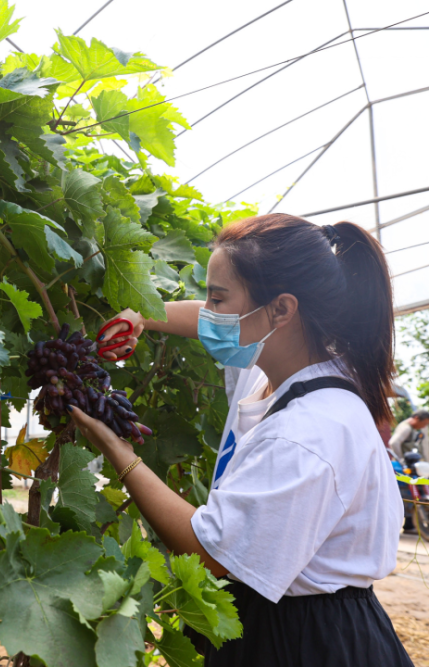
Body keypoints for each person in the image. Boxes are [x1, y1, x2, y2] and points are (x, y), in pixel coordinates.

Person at [71, 214, 412, 666]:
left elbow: (211, 553)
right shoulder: (272, 365)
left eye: (218, 296)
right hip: (279, 618)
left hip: (306, 641)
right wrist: (142, 315)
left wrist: (120, 452)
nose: (208, 308)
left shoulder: (310, 432)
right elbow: (210, 320)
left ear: (283, 309)